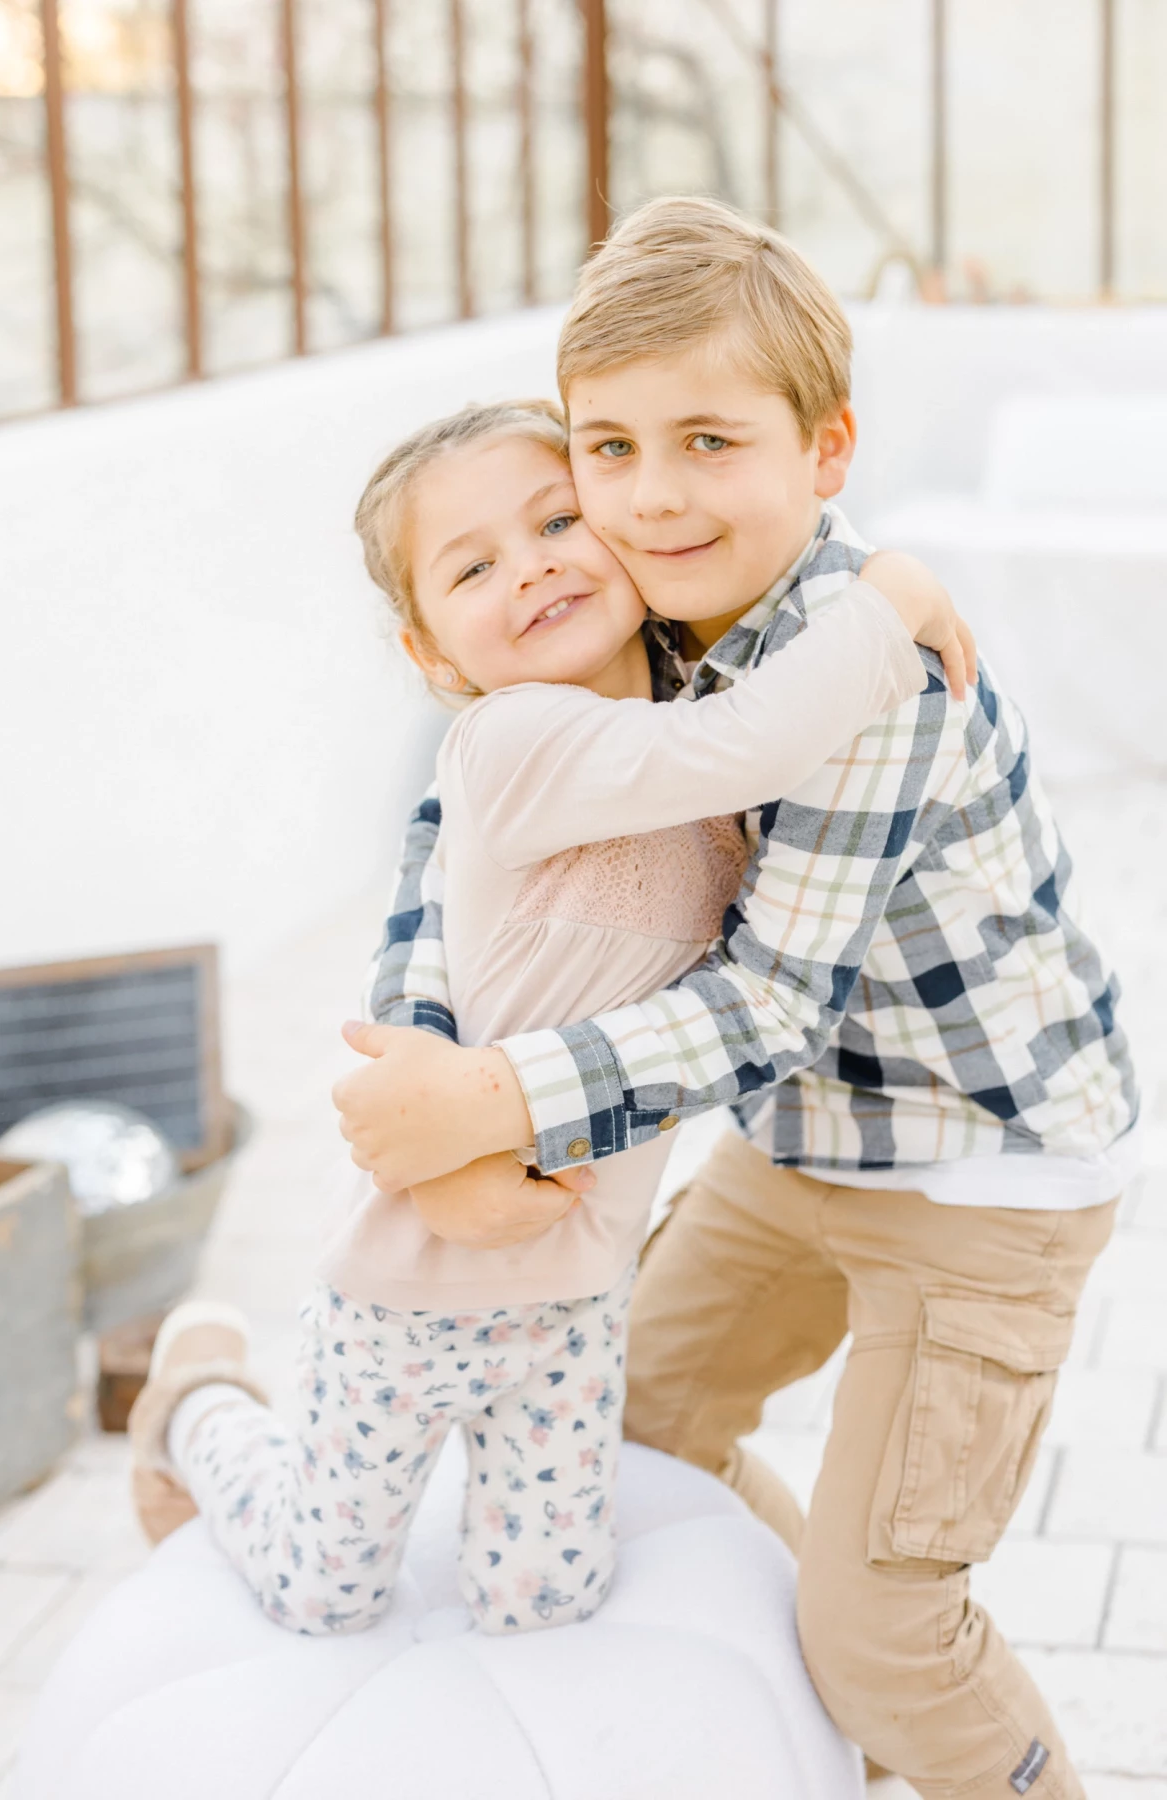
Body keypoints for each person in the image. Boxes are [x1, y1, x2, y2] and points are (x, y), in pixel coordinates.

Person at [334, 199, 1139, 1797]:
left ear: (826, 451)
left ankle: (914, 1709)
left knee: (889, 1628)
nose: (652, 498)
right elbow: (456, 826)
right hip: (798, 1138)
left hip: (981, 1167)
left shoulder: (868, 675)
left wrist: (497, 1103)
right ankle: (802, 1709)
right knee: (629, 1428)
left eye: (710, 439)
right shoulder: (628, 622)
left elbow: (763, 1002)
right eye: (609, 452)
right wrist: (425, 1042)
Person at [128, 394, 962, 1637]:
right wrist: (893, 595)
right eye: (474, 567)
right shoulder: (514, 740)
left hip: (575, 1293)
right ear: (433, 657)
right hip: (407, 1288)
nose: (532, 569)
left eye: (558, 520)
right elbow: (753, 743)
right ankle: (198, 1400)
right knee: (324, 1591)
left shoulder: (673, 720)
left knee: (544, 1598)